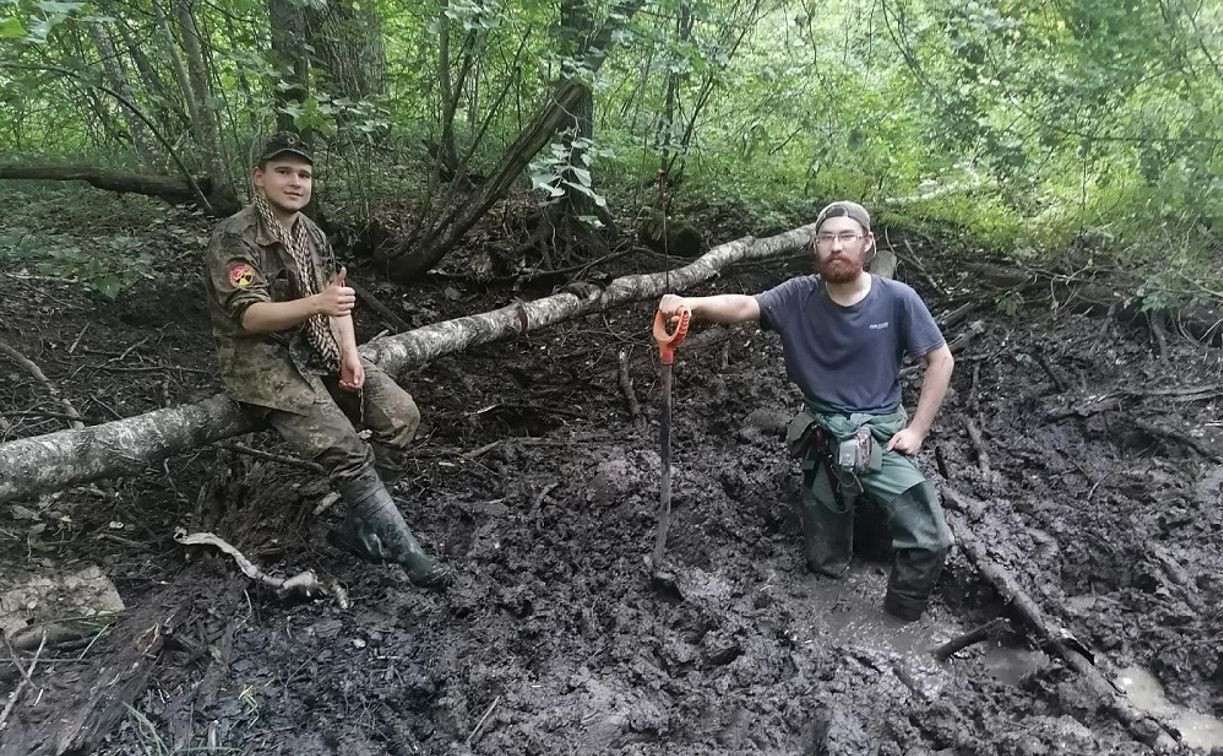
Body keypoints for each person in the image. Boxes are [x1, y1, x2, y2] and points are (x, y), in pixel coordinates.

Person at [656, 201, 954, 621]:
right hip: (824, 440)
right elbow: (744, 307)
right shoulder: (798, 295)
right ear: (815, 247)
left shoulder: (898, 300)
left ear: (867, 243)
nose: (836, 247)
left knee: (928, 539)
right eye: (826, 238)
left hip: (882, 438)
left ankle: (900, 618)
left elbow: (940, 360)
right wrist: (691, 303)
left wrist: (919, 430)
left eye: (846, 237)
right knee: (823, 564)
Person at [202, 132, 449, 590]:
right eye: (284, 172)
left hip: (319, 350)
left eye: (304, 174)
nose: (295, 182)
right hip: (263, 363)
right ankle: (411, 556)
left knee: (400, 415)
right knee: (346, 449)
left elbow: (337, 303)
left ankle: (358, 529)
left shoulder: (310, 234)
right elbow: (252, 316)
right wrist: (319, 304)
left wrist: (350, 356)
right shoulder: (234, 237)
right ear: (259, 178)